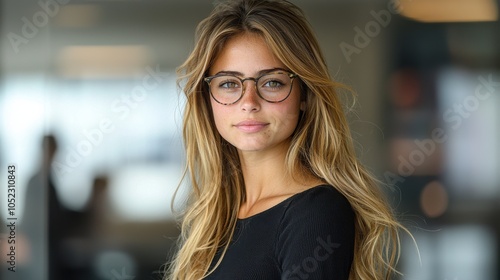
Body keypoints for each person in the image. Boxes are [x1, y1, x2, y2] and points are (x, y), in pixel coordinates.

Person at [166, 0, 410, 279]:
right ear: (208, 98)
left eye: (272, 82)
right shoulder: (216, 216)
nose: (249, 102)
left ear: (304, 95)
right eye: (229, 83)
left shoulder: (316, 212)